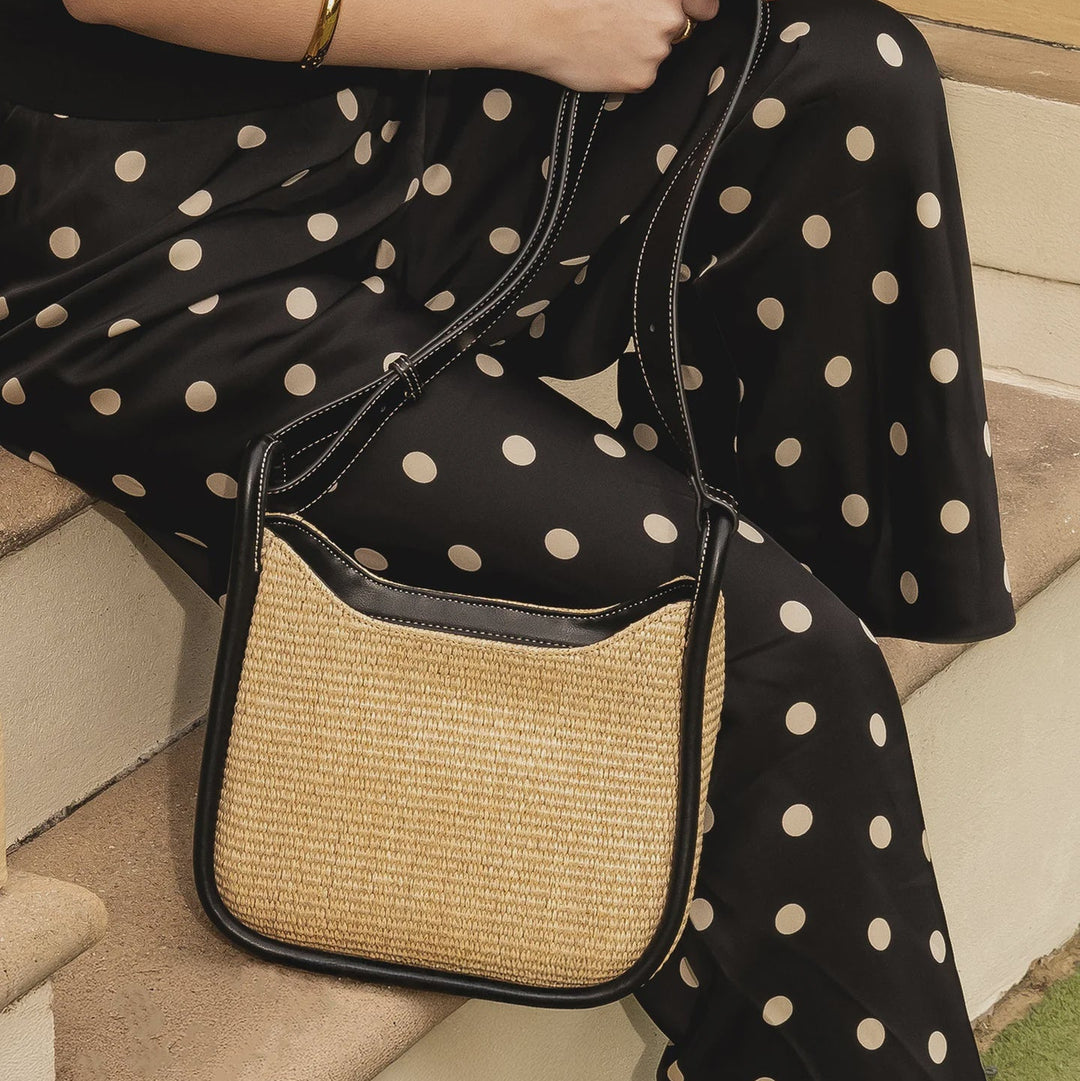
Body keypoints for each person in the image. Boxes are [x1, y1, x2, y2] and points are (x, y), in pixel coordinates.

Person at [0, 0, 1016, 1077]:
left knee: (844, 71)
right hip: (135, 243)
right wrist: (528, 23)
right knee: (757, 657)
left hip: (379, 121)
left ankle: (798, 706)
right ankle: (777, 707)